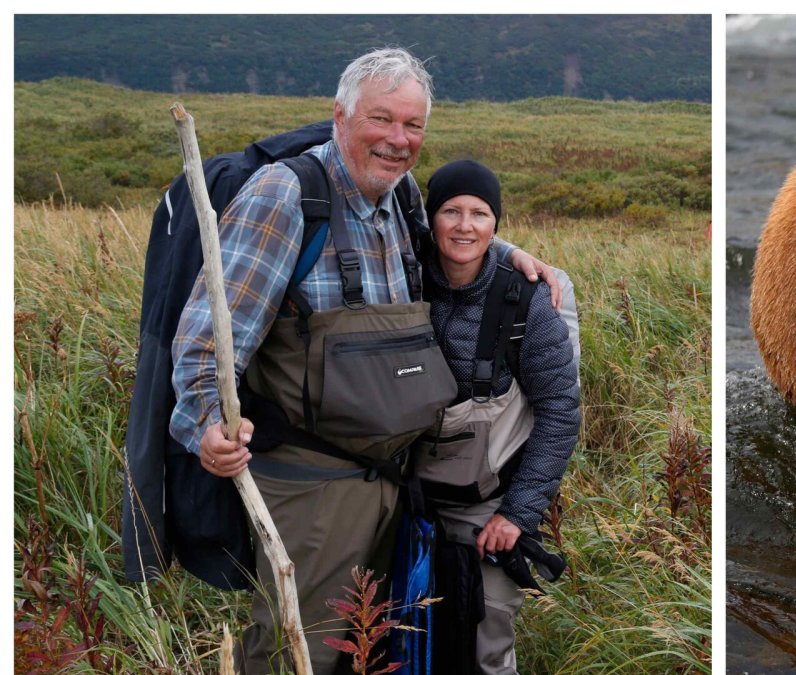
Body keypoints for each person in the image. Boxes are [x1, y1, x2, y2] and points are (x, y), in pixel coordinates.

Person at [169, 48, 560, 674]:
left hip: (395, 483)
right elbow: (207, 337)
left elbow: (456, 236)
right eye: (382, 120)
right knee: (301, 647)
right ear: (341, 116)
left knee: (372, 647)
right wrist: (207, 423)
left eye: (413, 126)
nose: (398, 140)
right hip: (311, 486)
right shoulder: (287, 196)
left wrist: (503, 249)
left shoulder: (402, 198)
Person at [418, 159, 580, 674]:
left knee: (486, 644)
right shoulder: (401, 279)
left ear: (495, 224)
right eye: (451, 211)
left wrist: (518, 514)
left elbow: (560, 413)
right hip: (405, 499)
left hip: (489, 505)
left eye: (480, 214)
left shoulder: (529, 301)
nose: (465, 226)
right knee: (403, 640)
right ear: (430, 219)